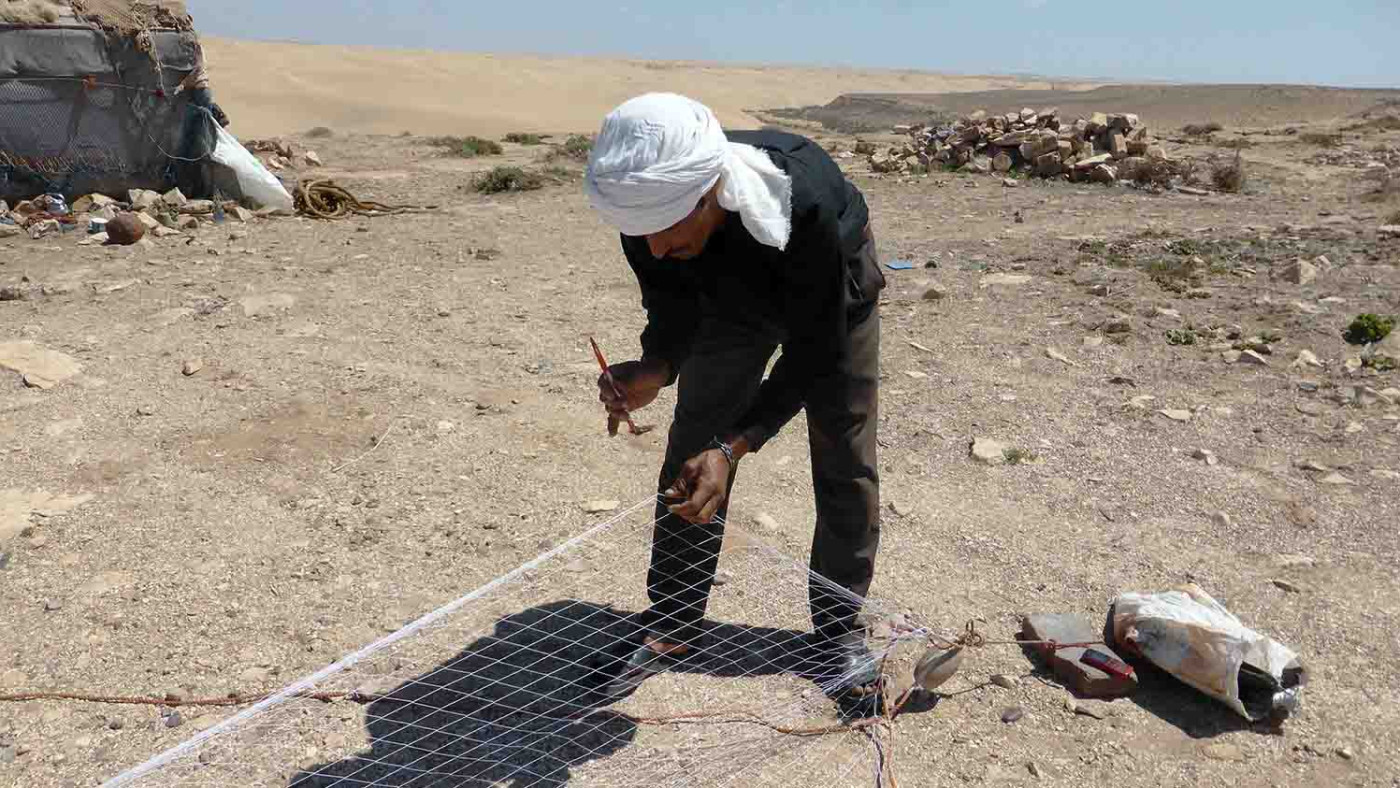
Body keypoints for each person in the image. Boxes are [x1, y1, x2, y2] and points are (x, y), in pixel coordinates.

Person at [583, 93, 886, 707]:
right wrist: (657, 367)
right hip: (727, 299)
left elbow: (814, 353)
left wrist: (735, 446)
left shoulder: (804, 202)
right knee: (692, 450)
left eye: (665, 231)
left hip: (829, 288)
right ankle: (672, 625)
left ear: (709, 193)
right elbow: (670, 303)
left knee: (842, 449)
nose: (654, 248)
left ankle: (838, 631)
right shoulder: (647, 213)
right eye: (642, 235)